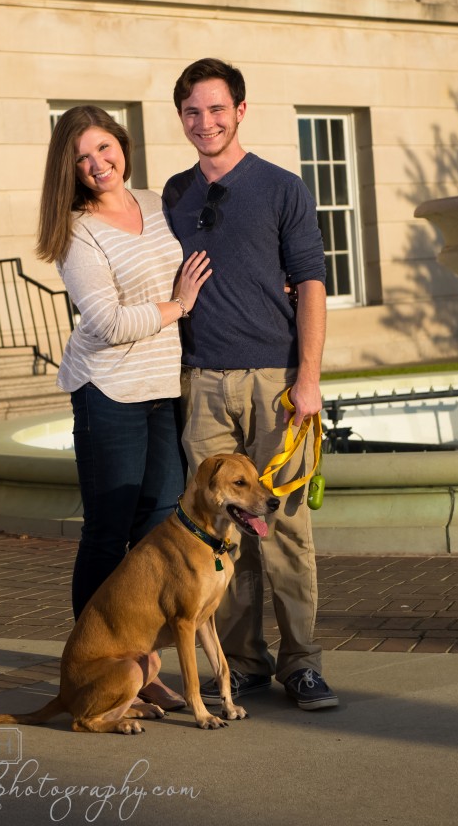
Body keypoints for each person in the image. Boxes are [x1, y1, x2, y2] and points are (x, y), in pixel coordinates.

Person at [162, 58, 338, 711]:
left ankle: (302, 663)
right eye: (191, 112)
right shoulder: (174, 195)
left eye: (215, 109)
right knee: (214, 528)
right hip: (202, 380)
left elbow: (312, 283)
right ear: (181, 117)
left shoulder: (282, 188)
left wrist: (309, 378)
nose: (204, 122)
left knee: (285, 526)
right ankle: (240, 661)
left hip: (276, 382)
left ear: (239, 111)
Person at [36, 104, 211, 710]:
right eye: (82, 158)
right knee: (109, 535)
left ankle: (146, 666)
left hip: (163, 388)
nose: (97, 164)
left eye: (103, 148)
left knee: (157, 527)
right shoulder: (77, 231)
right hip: (107, 391)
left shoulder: (158, 204)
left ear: (122, 144)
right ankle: (95, 666)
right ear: (71, 169)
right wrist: (177, 307)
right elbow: (107, 323)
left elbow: (207, 257)